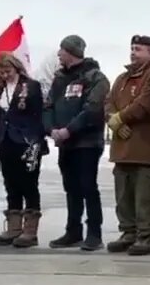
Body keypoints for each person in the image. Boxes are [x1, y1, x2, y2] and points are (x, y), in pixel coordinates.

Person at [43, 35, 111, 251]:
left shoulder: (95, 78)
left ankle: (94, 233)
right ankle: (73, 231)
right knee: (71, 187)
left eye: (61, 50)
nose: (58, 54)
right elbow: (48, 106)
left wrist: (69, 130)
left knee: (88, 186)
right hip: (65, 143)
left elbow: (91, 109)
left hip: (87, 142)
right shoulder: (60, 78)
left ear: (71, 52)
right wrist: (51, 129)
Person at [105, 35, 150, 256]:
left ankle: (146, 237)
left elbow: (145, 104)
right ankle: (128, 232)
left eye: (139, 49)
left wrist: (120, 118)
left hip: (145, 149)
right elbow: (108, 102)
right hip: (122, 149)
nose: (133, 52)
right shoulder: (121, 78)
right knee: (124, 196)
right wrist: (113, 120)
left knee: (146, 197)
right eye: (132, 48)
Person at [0, 51, 47, 248]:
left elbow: (38, 115)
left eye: (8, 71)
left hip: (27, 141)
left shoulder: (31, 87)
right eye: (2, 72)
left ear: (16, 67)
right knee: (11, 183)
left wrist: (36, 141)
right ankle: (14, 227)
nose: (6, 75)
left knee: (28, 184)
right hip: (5, 141)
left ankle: (30, 231)